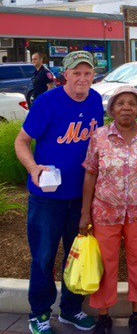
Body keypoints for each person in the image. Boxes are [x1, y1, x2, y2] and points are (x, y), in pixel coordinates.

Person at [14, 51, 103, 334]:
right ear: (65, 74)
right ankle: (39, 313)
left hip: (82, 197)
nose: (82, 78)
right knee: (43, 257)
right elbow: (21, 142)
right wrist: (33, 168)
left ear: (93, 75)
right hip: (48, 198)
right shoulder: (48, 102)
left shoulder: (96, 100)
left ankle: (71, 310)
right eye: (76, 73)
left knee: (75, 255)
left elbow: (98, 144)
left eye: (87, 73)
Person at [80, 86, 137, 334]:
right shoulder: (99, 136)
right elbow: (90, 173)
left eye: (131, 103)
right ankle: (103, 317)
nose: (126, 107)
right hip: (105, 212)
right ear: (112, 109)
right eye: (120, 103)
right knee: (105, 264)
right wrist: (85, 213)